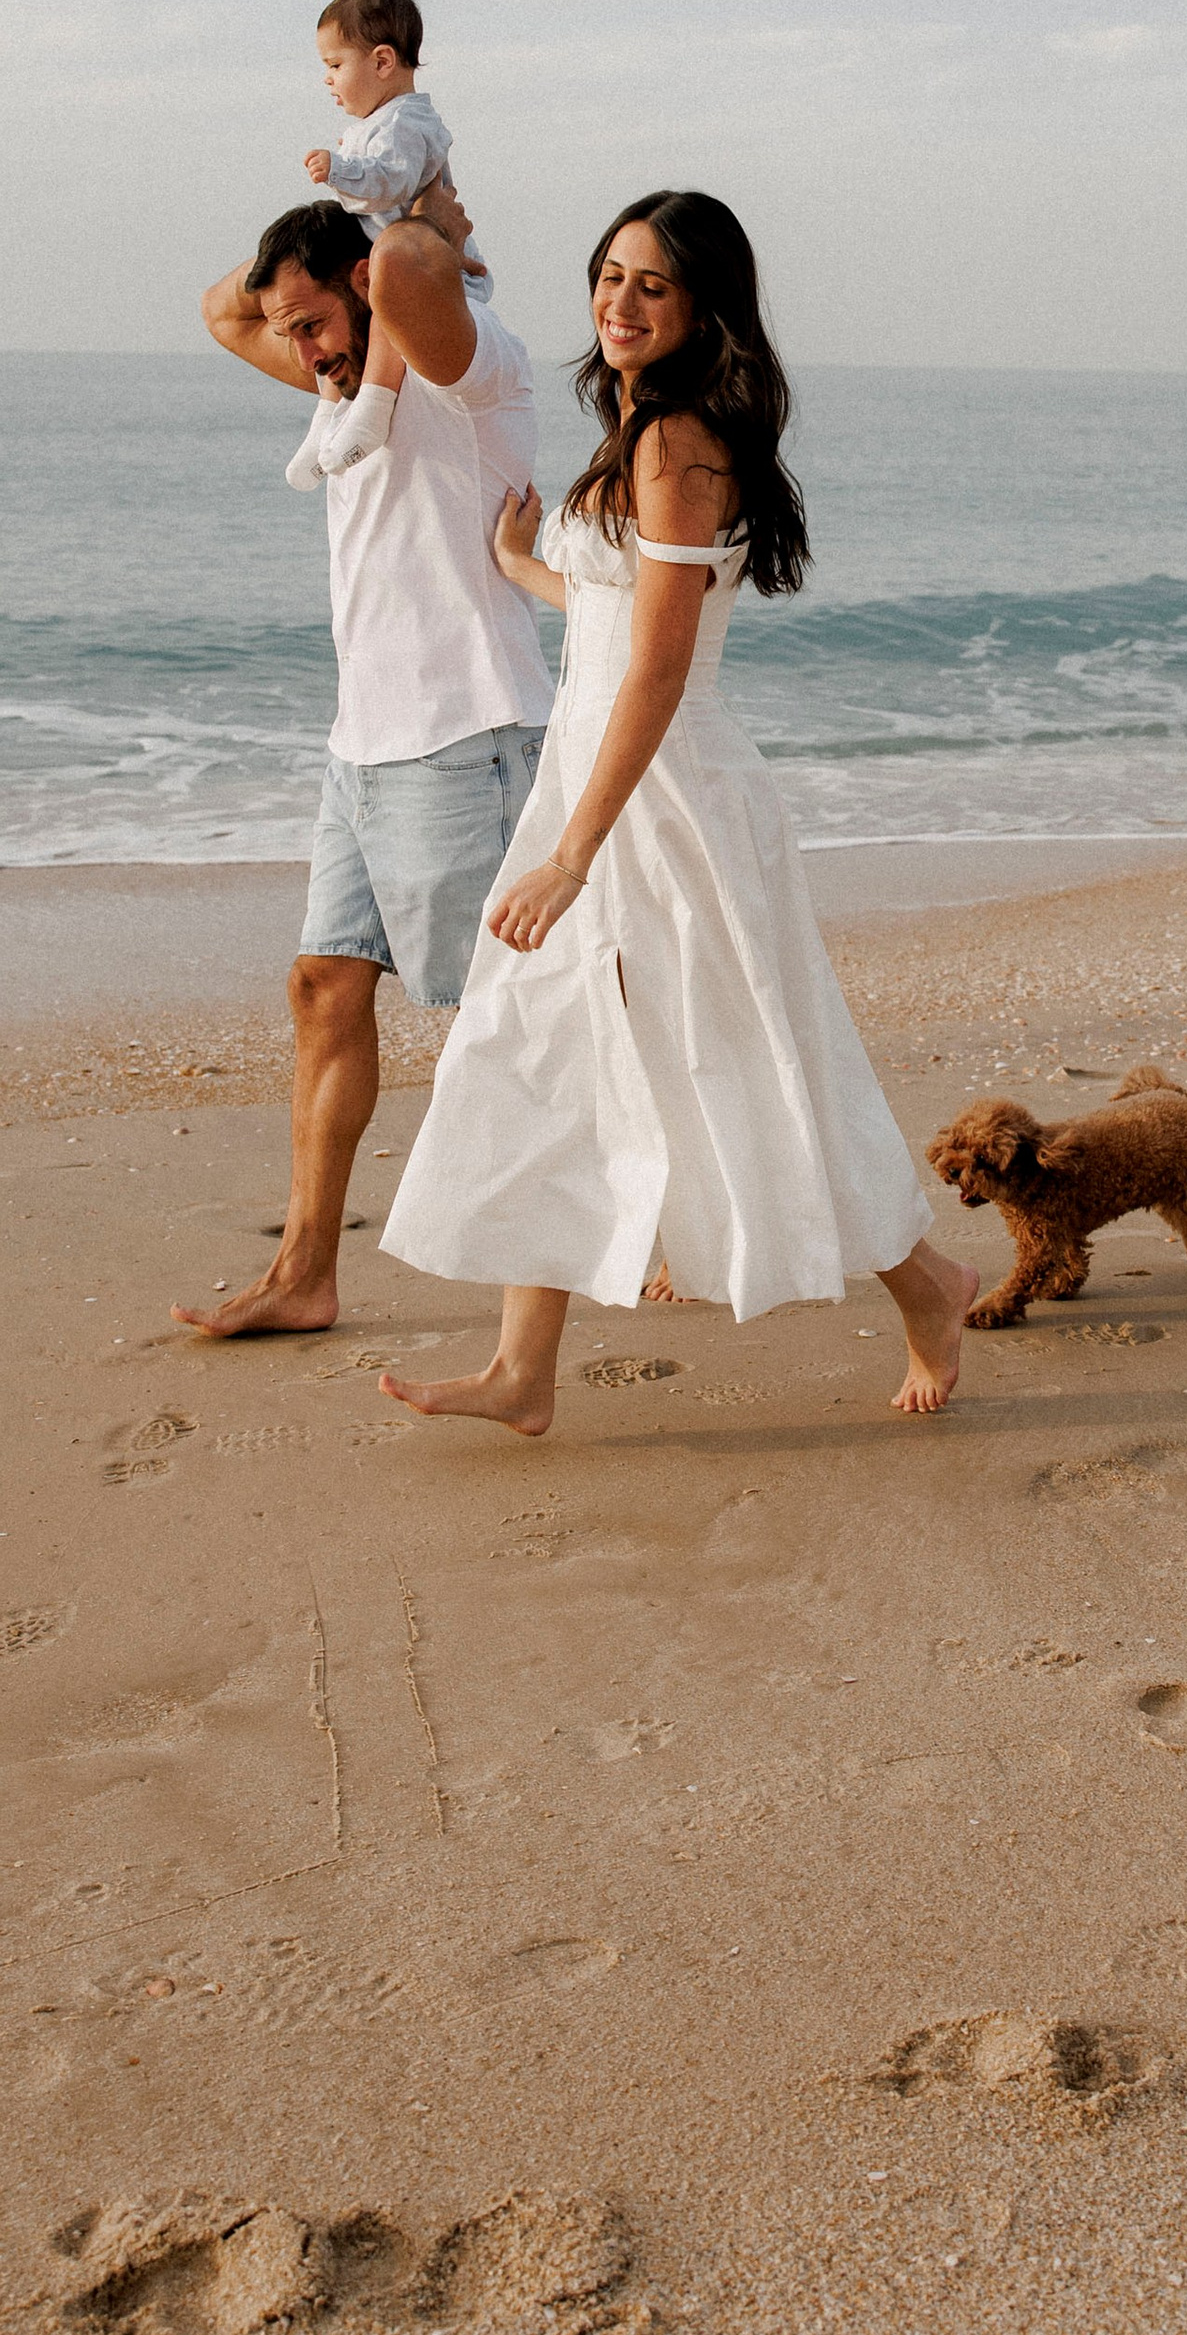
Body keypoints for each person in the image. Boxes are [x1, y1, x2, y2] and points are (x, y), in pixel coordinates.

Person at [376, 189, 976, 1431]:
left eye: (651, 283)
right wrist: (524, 570)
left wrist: (573, 856)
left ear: (703, 304)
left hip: (658, 805)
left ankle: (929, 1283)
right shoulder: (644, 430)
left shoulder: (676, 441)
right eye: (607, 276)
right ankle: (522, 1367)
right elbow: (617, 622)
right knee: (544, 1049)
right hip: (600, 787)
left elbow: (657, 669)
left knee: (749, 1062)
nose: (619, 301)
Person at [172, 185, 552, 1341]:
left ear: (369, 291)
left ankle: (664, 1216)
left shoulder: (456, 370)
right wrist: (302, 271)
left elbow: (406, 278)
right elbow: (215, 311)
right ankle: (305, 1272)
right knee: (322, 988)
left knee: (523, 1014)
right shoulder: (342, 391)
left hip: (461, 739)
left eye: (314, 319)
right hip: (364, 746)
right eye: (288, 326)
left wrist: (403, 197)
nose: (296, 347)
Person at [289, 0, 495, 488]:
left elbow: (389, 181)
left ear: (382, 62)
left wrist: (340, 168)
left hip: (421, 273)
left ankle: (374, 407)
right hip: (386, 261)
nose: (328, 80)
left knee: (385, 301)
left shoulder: (406, 124)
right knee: (351, 309)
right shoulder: (381, 121)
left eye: (335, 65)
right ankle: (328, 420)